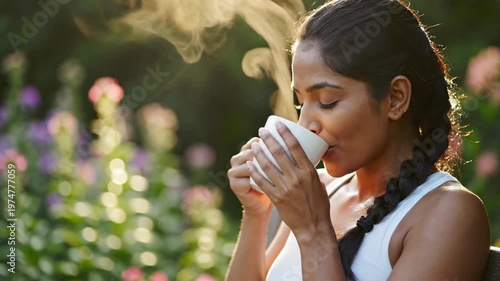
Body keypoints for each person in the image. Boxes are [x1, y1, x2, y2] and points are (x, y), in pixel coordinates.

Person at [225, 0, 491, 280]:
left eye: (327, 101)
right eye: (301, 103)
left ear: (395, 98)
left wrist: (314, 231)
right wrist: (256, 213)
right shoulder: (322, 189)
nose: (305, 124)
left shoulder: (448, 213)